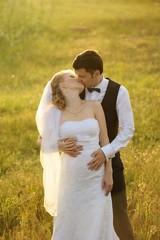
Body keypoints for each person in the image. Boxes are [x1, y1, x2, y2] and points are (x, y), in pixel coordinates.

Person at [59, 50, 135, 240]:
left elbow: (127, 130)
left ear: (97, 73)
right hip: (76, 172)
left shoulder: (119, 92)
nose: (78, 79)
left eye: (82, 76)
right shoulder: (74, 90)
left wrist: (105, 152)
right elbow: (50, 128)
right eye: (76, 75)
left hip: (111, 165)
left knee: (119, 217)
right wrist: (59, 144)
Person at [36, 69, 119, 240]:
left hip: (97, 177)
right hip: (71, 179)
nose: (78, 79)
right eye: (72, 77)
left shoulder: (94, 106)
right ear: (62, 85)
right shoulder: (54, 112)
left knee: (97, 220)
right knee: (70, 221)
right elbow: (41, 141)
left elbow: (105, 141)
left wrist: (109, 172)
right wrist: (59, 145)